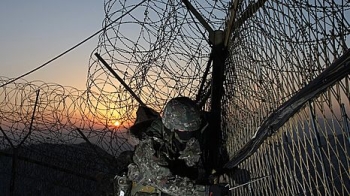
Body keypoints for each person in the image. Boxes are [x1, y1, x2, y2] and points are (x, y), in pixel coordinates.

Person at [124, 97, 228, 196]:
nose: (188, 133)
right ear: (170, 127)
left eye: (191, 130)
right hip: (151, 188)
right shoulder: (149, 146)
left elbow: (192, 161)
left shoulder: (184, 134)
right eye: (183, 130)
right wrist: (205, 191)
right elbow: (164, 183)